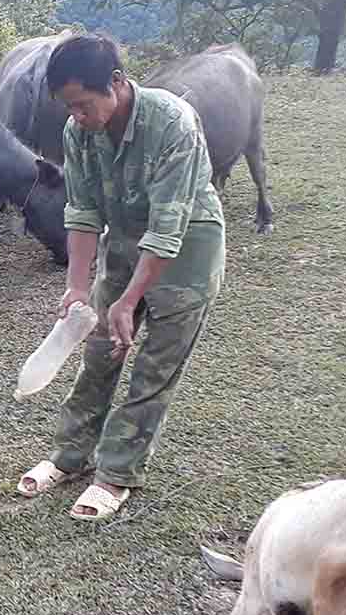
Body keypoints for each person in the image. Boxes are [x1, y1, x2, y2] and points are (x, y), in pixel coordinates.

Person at [14, 33, 227, 520]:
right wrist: (77, 285)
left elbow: (168, 229)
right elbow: (84, 212)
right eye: (69, 108)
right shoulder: (79, 130)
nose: (78, 117)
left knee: (153, 370)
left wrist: (130, 301)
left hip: (186, 253)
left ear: (116, 82)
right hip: (126, 245)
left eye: (84, 104)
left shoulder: (172, 122)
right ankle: (68, 457)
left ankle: (116, 473)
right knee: (98, 355)